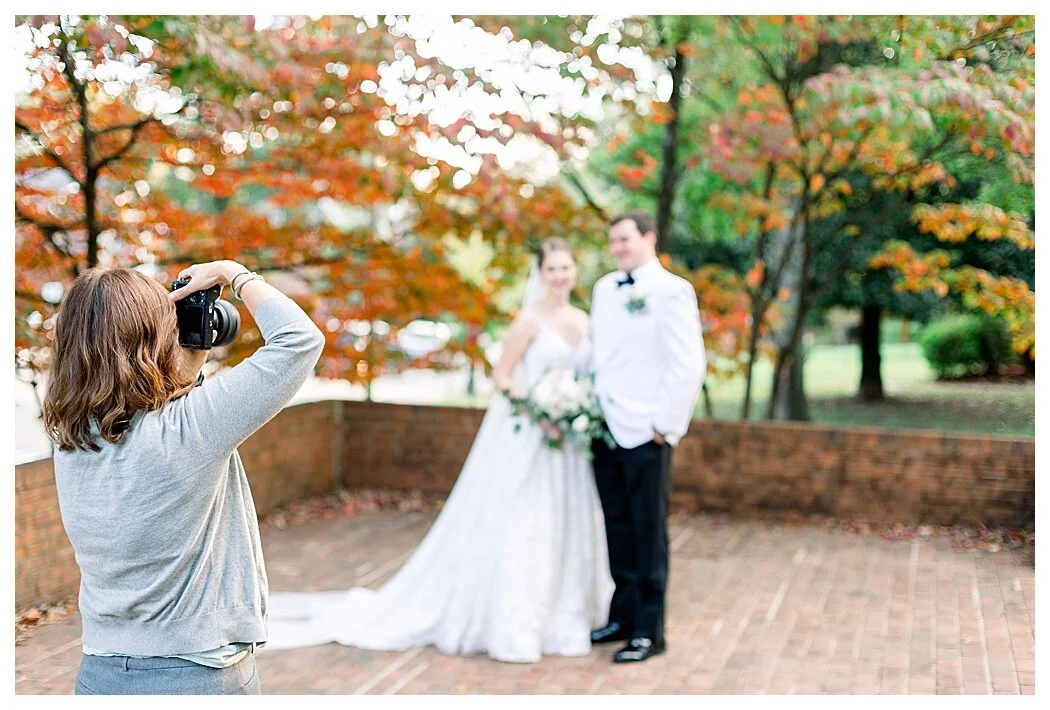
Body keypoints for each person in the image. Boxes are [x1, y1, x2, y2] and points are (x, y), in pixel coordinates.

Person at [265, 238, 614, 663]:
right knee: (525, 521)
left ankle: (564, 618)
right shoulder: (528, 322)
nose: (559, 276)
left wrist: (577, 408)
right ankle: (516, 622)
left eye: (565, 268)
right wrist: (540, 411)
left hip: (569, 446)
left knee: (566, 520)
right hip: (532, 437)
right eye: (552, 269)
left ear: (575, 271)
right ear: (540, 274)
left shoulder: (584, 320)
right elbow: (503, 377)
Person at [43, 261, 325, 694]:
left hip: (100, 673)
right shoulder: (187, 431)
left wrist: (182, 362)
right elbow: (299, 340)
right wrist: (234, 273)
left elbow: (136, 412)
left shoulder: (69, 438)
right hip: (196, 678)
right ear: (156, 338)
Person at [588, 211, 706, 663]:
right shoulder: (604, 288)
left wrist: (663, 427)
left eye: (626, 239)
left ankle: (648, 632)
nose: (618, 248)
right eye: (614, 241)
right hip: (603, 427)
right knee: (616, 527)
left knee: (647, 533)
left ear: (649, 238)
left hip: (646, 432)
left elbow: (688, 365)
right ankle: (621, 617)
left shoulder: (673, 291)